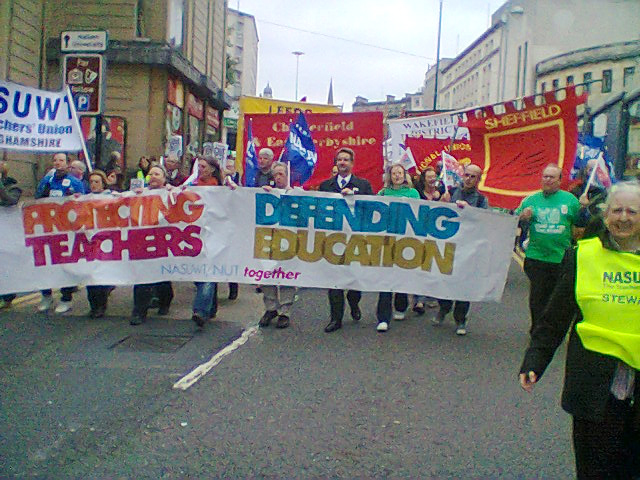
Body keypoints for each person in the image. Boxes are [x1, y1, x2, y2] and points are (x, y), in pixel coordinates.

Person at [519, 181, 640, 479]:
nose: (624, 217)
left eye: (633, 211)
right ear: (605, 214)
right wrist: (535, 361)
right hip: (594, 381)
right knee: (594, 469)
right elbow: (555, 317)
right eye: (617, 210)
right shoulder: (581, 255)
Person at [515, 164, 582, 334]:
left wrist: (585, 209)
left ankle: (552, 328)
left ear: (560, 181)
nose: (547, 180)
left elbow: (580, 227)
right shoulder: (530, 200)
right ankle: (538, 329)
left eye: (552, 177)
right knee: (538, 297)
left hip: (561, 258)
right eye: (545, 176)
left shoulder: (571, 201)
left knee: (556, 298)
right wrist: (522, 218)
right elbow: (513, 221)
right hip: (536, 257)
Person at [319, 147, 373, 333]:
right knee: (334, 280)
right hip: (333, 240)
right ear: (336, 163)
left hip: (355, 240)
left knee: (354, 280)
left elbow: (371, 210)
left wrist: (355, 198)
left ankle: (354, 301)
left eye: (346, 160)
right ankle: (336, 318)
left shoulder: (363, 185)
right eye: (339, 160)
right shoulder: (325, 186)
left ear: (352, 163)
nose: (342, 162)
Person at [433, 164, 488, 335]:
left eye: (473, 176)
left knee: (465, 285)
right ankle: (444, 307)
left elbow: (486, 221)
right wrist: (441, 202)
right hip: (449, 245)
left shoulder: (481, 200)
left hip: (468, 247)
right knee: (444, 280)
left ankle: (460, 319)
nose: (469, 179)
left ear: (478, 180)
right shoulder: (450, 192)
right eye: (467, 175)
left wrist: (470, 211)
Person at [35, 153, 86, 313]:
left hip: (66, 230)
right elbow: (37, 199)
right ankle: (46, 295)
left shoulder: (75, 182)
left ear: (67, 164)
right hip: (48, 228)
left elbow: (82, 204)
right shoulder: (46, 181)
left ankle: (66, 298)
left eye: (61, 160)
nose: (58, 163)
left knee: (66, 264)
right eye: (55, 160)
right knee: (45, 262)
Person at [375, 164, 419, 332]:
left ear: (404, 175)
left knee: (401, 273)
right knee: (385, 278)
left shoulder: (413, 193)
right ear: (390, 176)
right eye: (394, 173)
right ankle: (383, 317)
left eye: (400, 173)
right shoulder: (383, 193)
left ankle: (401, 305)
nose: (397, 175)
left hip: (407, 240)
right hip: (386, 239)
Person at [258, 162, 300, 329]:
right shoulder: (267, 192)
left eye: (281, 174)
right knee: (267, 273)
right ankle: (270, 308)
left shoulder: (296, 193)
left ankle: (285, 311)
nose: (278, 177)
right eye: (275, 175)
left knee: (286, 275)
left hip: (289, 239)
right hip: (269, 239)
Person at [130, 164, 174, 325]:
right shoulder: (139, 193)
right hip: (143, 241)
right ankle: (139, 311)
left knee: (161, 275)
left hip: (163, 241)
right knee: (142, 274)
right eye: (151, 174)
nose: (153, 176)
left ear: (164, 178)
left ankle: (165, 300)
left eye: (157, 174)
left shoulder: (170, 193)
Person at [188, 156, 224, 328]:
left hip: (214, 235)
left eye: (203, 166)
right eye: (198, 166)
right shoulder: (191, 186)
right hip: (194, 235)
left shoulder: (221, 188)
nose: (200, 169)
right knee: (198, 273)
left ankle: (200, 311)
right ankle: (210, 306)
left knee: (207, 273)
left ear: (211, 169)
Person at [412, 167, 445, 312]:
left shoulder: (444, 194)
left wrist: (444, 200)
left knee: (433, 265)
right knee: (419, 265)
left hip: (438, 235)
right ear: (424, 180)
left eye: (434, 177)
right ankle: (419, 300)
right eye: (429, 177)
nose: (432, 179)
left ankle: (431, 295)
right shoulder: (418, 194)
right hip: (421, 234)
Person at [85, 170, 115, 318]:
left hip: (105, 240)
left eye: (97, 182)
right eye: (91, 182)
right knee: (90, 274)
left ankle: (101, 306)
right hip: (90, 240)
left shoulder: (111, 197)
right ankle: (93, 305)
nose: (94, 185)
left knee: (101, 274)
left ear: (103, 183)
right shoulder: (85, 199)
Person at [0, 160, 22, 310]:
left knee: (5, 264)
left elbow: (10, 200)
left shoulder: (14, 187)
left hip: (6, 232)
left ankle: (7, 296)